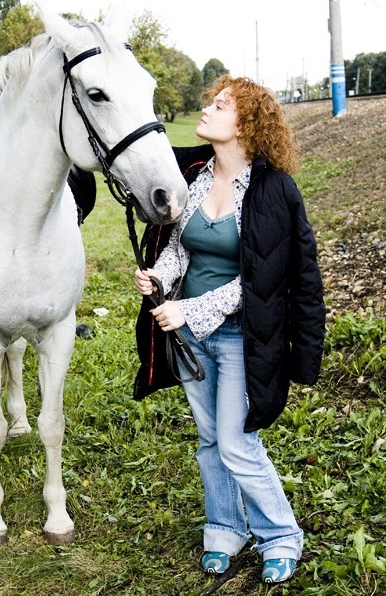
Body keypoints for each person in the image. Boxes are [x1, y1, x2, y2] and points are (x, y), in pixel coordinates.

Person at [134, 76, 325, 585]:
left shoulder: (273, 190)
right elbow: (181, 247)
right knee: (208, 440)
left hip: (244, 337)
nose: (207, 109)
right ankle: (224, 530)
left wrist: (190, 310)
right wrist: (161, 276)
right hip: (191, 338)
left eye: (220, 106)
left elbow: (264, 280)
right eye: (211, 102)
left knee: (238, 444)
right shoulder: (195, 177)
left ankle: (281, 535)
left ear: (245, 124)